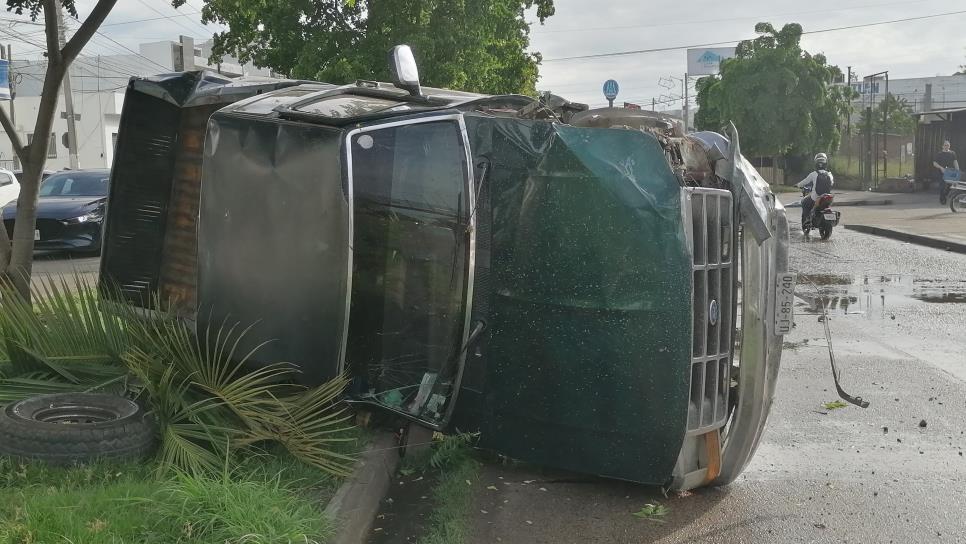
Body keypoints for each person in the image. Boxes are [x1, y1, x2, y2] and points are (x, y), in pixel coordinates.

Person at [796, 153, 834, 227]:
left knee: (804, 202)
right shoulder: (829, 174)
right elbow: (831, 183)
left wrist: (797, 185)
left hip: (815, 197)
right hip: (827, 197)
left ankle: (807, 220)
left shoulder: (813, 174)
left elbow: (805, 181)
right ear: (826, 163)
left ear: (816, 163)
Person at [933, 140, 959, 204]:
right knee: (942, 186)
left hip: (950, 172)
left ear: (949, 146)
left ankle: (944, 195)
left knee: (950, 186)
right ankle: (942, 199)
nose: (946, 146)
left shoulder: (953, 153)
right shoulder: (939, 154)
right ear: (942, 146)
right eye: (945, 145)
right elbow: (934, 163)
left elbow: (955, 162)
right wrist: (941, 168)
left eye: (948, 145)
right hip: (942, 172)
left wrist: (957, 171)